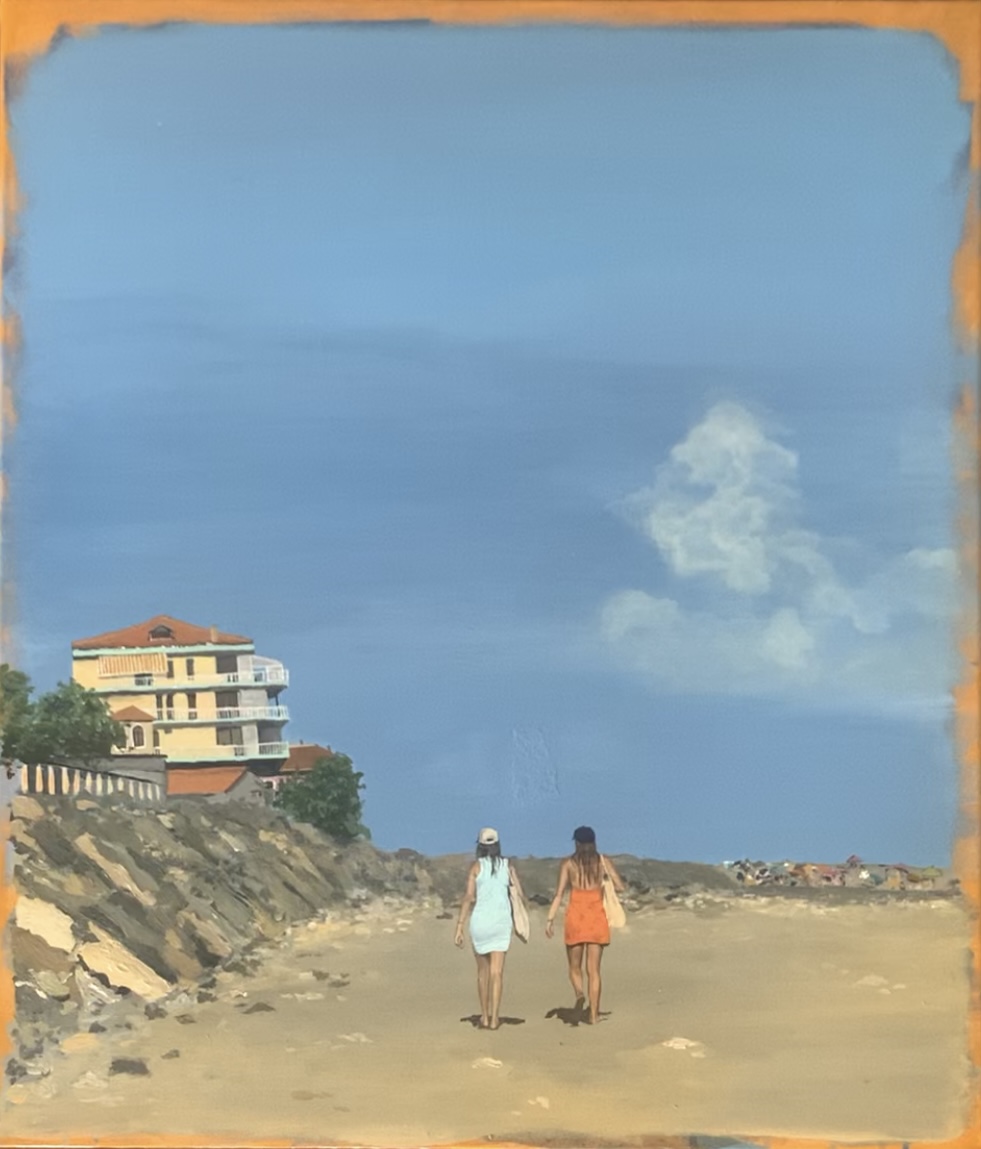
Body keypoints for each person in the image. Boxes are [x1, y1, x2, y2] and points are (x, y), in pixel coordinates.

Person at [545, 825, 625, 1024]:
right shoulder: (603, 861)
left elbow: (559, 894)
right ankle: (594, 1015)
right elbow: (620, 887)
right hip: (596, 916)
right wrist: (604, 882)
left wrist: (550, 919)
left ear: (577, 843)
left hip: (576, 916)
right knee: (594, 971)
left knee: (574, 967)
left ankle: (580, 994)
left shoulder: (568, 863)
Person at [454, 827, 525, 1030]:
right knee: (497, 972)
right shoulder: (508, 866)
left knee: (482, 972)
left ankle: (484, 1016)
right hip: (501, 922)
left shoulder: (476, 867)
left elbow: (469, 897)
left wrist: (459, 926)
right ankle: (495, 1019)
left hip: (481, 922)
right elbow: (520, 894)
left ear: (480, 846)